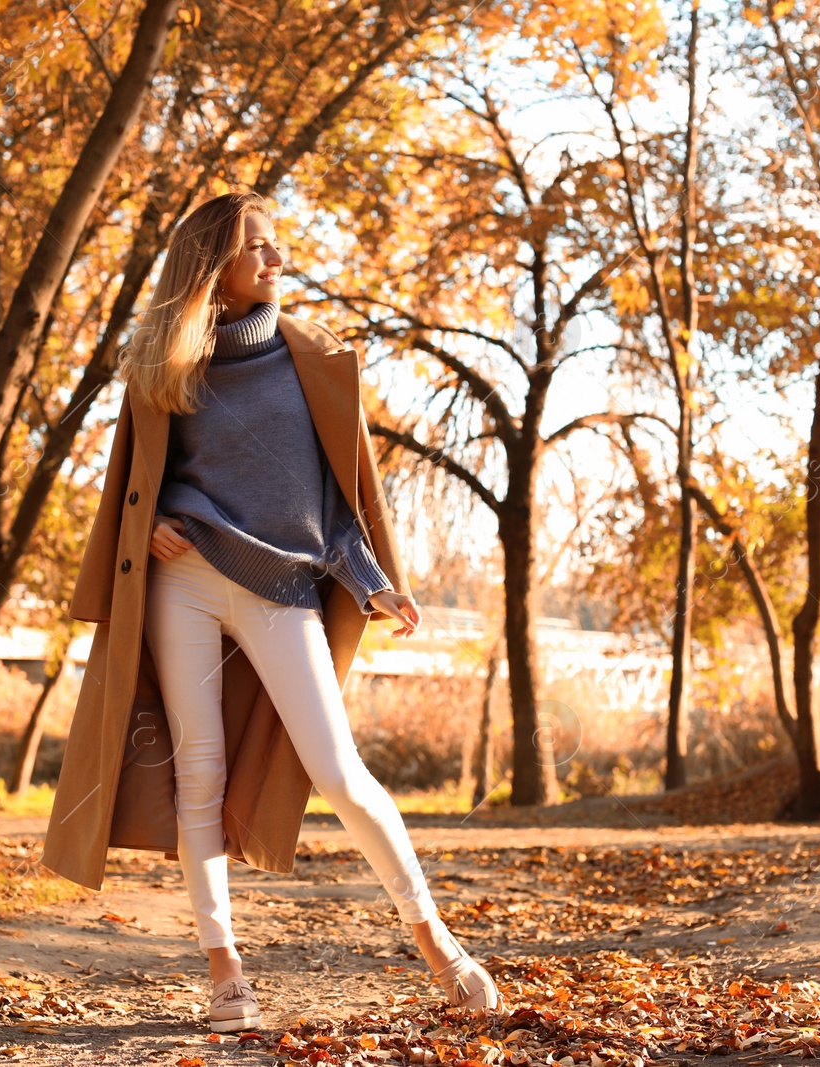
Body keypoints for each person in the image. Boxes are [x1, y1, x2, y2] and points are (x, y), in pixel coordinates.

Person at [114, 190, 504, 1032]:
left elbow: (334, 505)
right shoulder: (162, 360)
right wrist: (146, 525)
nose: (275, 259)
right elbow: (132, 481)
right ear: (213, 260)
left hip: (282, 587)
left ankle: (435, 936)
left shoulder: (311, 361)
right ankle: (225, 969)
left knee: (339, 772)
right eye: (257, 246)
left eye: (276, 245)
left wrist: (371, 581)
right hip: (181, 580)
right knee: (199, 773)